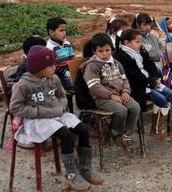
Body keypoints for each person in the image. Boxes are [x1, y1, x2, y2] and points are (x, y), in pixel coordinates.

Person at [9, 46, 104, 190]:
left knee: (83, 129)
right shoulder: (23, 85)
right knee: (66, 135)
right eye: (51, 65)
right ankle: (72, 174)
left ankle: (86, 168)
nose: (55, 67)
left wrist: (60, 107)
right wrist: (41, 111)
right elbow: (15, 108)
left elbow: (62, 95)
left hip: (57, 114)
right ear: (38, 67)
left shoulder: (54, 78)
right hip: (37, 120)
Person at [116, 29, 172, 140]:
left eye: (140, 42)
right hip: (138, 88)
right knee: (162, 99)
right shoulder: (123, 57)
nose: (140, 44)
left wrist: (155, 79)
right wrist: (151, 82)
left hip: (149, 82)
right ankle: (156, 131)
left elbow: (150, 66)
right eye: (137, 42)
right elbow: (134, 77)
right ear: (127, 43)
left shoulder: (140, 51)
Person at [80, 33, 141, 158]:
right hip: (102, 98)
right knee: (121, 111)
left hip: (120, 94)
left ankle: (127, 135)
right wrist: (110, 96)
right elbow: (94, 86)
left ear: (111, 49)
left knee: (135, 107)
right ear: (94, 51)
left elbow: (124, 80)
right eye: (100, 51)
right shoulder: (92, 66)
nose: (104, 54)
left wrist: (125, 91)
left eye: (107, 50)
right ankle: (115, 133)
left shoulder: (116, 63)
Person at [46, 17, 75, 112]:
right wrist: (66, 73)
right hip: (59, 77)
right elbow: (52, 68)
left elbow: (72, 60)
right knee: (80, 85)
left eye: (65, 30)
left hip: (70, 72)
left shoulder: (67, 44)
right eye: (61, 30)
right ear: (51, 32)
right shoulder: (49, 48)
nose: (64, 33)